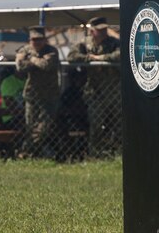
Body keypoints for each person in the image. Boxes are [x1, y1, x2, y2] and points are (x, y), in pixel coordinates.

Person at [67, 16, 121, 157]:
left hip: (113, 90)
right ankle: (95, 153)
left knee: (117, 123)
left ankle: (118, 152)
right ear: (91, 31)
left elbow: (120, 55)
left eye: (104, 30)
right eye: (98, 30)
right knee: (96, 123)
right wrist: (87, 59)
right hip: (94, 91)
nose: (102, 33)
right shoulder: (85, 44)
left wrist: (100, 58)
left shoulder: (114, 43)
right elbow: (71, 56)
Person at [16, 26, 61, 158]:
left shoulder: (52, 51)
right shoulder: (24, 50)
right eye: (34, 40)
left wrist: (32, 59)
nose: (36, 42)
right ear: (29, 40)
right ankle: (32, 154)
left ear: (45, 40)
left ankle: (26, 151)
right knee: (30, 126)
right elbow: (20, 66)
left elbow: (47, 65)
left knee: (44, 127)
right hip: (32, 94)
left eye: (39, 39)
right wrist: (36, 61)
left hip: (50, 94)